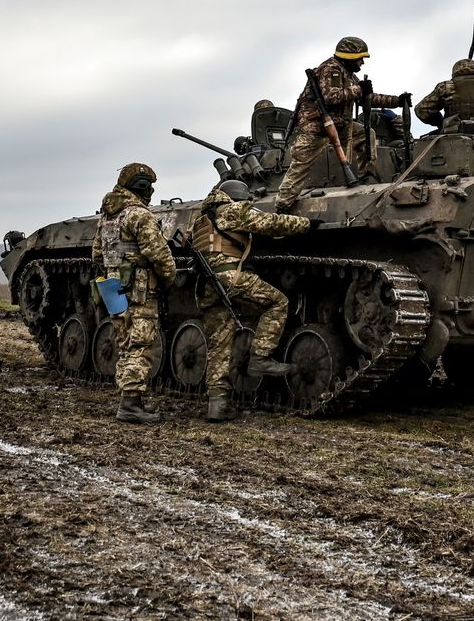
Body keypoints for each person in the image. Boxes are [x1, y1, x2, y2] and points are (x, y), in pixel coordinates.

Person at [193, 180, 318, 422]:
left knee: (219, 344)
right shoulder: (232, 211)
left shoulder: (200, 221)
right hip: (233, 278)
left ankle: (218, 404)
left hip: (209, 286)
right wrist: (307, 224)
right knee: (277, 303)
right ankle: (260, 357)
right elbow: (270, 223)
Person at [90, 162, 179, 425]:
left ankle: (133, 400)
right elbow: (159, 254)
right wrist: (169, 277)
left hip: (114, 289)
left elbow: (96, 254)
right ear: (143, 189)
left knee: (126, 342)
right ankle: (130, 403)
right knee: (141, 344)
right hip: (139, 290)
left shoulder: (108, 216)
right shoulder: (139, 216)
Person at [275, 37, 407, 211]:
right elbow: (332, 96)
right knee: (300, 166)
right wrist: (359, 88)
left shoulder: (348, 74)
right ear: (349, 56)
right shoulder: (331, 69)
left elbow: (367, 98)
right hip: (316, 127)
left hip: (339, 125)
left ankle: (367, 177)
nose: (362, 63)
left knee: (367, 135)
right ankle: (282, 206)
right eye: (360, 58)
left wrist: (397, 100)